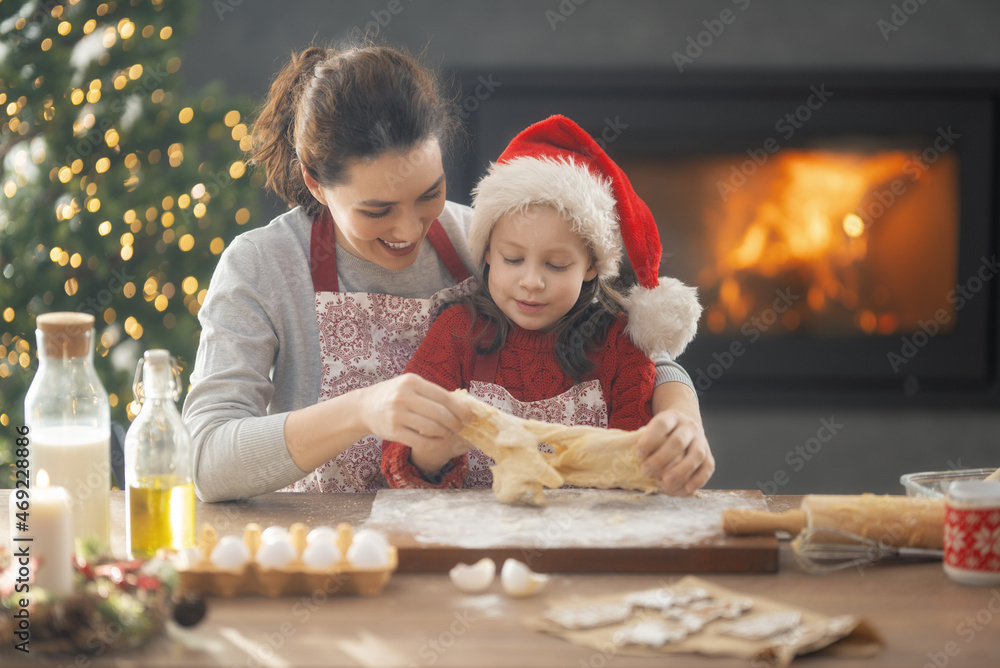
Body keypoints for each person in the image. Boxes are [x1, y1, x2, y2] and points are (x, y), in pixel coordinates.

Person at [182, 43, 715, 503]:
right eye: (377, 211)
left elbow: (640, 350)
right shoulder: (263, 265)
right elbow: (206, 461)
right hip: (331, 553)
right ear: (316, 184)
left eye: (429, 194)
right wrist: (363, 410)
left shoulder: (489, 240)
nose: (409, 228)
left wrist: (681, 421)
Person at [381, 114, 701, 489]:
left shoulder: (620, 347)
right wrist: (432, 451)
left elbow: (638, 465)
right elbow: (398, 457)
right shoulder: (457, 334)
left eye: (556, 264)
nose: (531, 282)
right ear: (487, 254)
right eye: (512, 259)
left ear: (591, 267)